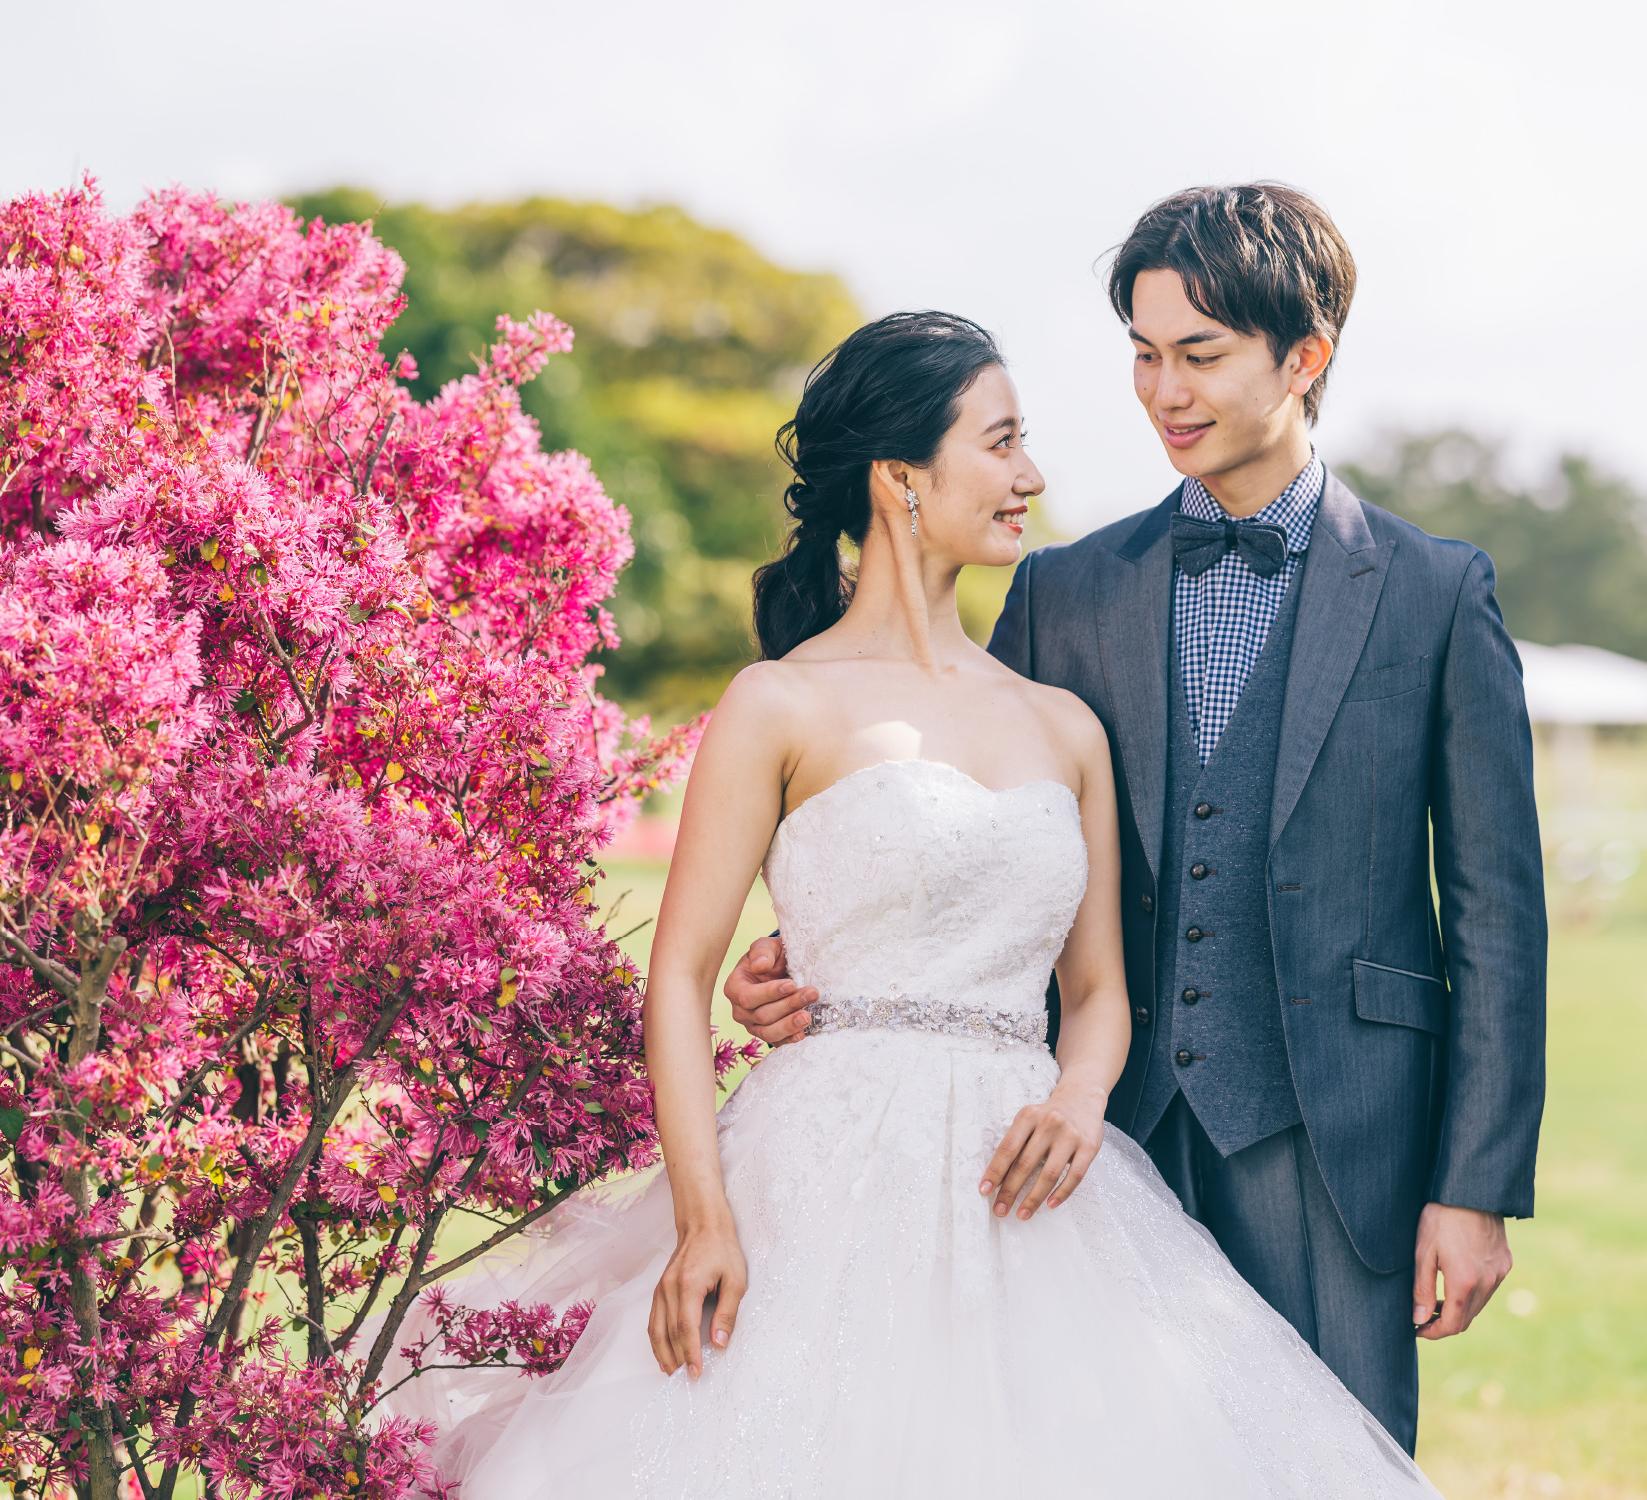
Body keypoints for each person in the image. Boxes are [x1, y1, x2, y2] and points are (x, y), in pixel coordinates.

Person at [370, 309, 1440, 1497]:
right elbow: (677, 976)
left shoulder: (1062, 724)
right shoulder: (779, 704)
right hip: (816, 1181)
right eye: (1002, 442)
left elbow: (1095, 992)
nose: (1032, 474)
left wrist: (1082, 1099)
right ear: (900, 480)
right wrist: (703, 1220)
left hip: (1034, 1185)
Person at [725, 184, 1549, 1455]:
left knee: (1330, 1466)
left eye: (1201, 355)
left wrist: (1475, 1185)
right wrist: (811, 965)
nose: (1165, 390)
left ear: (1306, 356)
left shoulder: (1438, 594)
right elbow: (958, 816)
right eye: (1144, 355)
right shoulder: (1060, 589)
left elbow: (1498, 910)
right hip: (1083, 1141)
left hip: (1339, 1143)